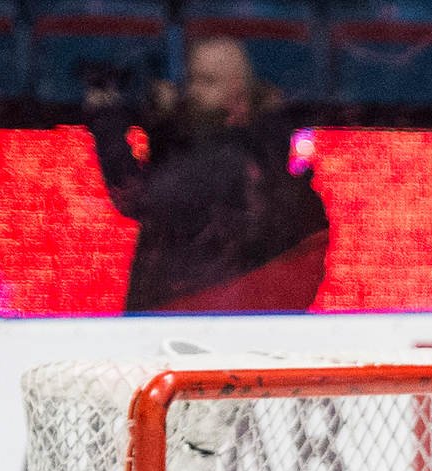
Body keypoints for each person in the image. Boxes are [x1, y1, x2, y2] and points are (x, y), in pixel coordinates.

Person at [86, 36, 328, 314]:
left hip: (188, 320)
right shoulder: (258, 154)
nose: (191, 93)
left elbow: (135, 194)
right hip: (204, 318)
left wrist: (107, 118)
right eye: (191, 81)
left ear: (239, 101)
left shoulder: (227, 159)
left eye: (207, 82)